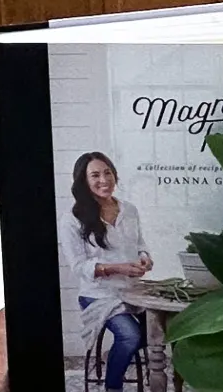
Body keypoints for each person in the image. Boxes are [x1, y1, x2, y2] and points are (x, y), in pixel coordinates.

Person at [58, 151, 153, 389]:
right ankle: (113, 386)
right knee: (130, 336)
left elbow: (140, 244)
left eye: (107, 172)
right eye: (95, 175)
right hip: (98, 295)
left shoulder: (129, 210)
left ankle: (113, 356)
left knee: (159, 332)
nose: (104, 180)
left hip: (133, 291)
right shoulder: (72, 219)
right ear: (84, 181)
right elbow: (79, 266)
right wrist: (116, 268)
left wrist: (145, 259)